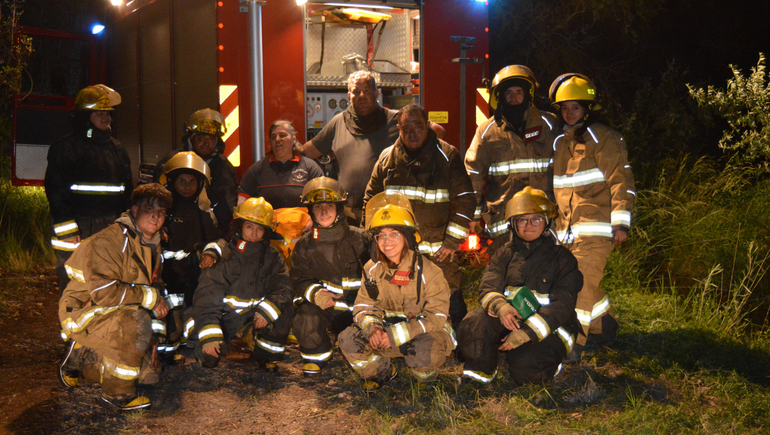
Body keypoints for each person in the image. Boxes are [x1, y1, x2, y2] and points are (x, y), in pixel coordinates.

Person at [58, 183, 172, 411]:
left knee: (148, 375)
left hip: (114, 310)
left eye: (161, 212)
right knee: (136, 323)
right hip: (83, 310)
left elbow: (152, 286)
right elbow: (105, 293)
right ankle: (117, 395)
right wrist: (149, 298)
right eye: (149, 209)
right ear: (135, 210)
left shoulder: (151, 243)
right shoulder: (110, 241)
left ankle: (80, 357)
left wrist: (153, 341)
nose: (156, 217)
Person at [364, 104, 476, 329]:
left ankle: (462, 342)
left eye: (417, 126)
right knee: (401, 295)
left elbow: (465, 199)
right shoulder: (387, 159)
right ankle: (408, 337)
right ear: (398, 129)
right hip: (399, 249)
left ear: (427, 126)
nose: (412, 133)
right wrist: (374, 241)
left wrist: (452, 242)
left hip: (438, 251)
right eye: (406, 128)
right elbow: (370, 200)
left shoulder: (447, 156)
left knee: (449, 294)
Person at [457, 187, 582, 385]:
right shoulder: (503, 254)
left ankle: (550, 362)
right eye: (523, 220)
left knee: (527, 371)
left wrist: (527, 333)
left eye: (536, 219)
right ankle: (481, 372)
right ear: (513, 224)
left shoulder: (563, 259)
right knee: (473, 324)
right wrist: (502, 308)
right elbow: (488, 286)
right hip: (509, 320)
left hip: (549, 328)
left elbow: (562, 307)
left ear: (547, 222)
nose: (529, 225)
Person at [548, 73, 635, 358]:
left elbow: (622, 182)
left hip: (596, 230)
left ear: (587, 108)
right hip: (566, 231)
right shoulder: (561, 142)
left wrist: (621, 222)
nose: (569, 113)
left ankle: (575, 344)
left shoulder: (604, 138)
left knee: (580, 285)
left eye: (575, 107)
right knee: (568, 282)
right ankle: (604, 323)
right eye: (564, 108)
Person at [338, 192, 455, 393]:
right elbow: (363, 307)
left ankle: (425, 381)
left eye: (394, 234)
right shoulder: (371, 269)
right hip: (385, 335)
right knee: (347, 339)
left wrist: (396, 335)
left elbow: (437, 316)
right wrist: (373, 329)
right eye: (381, 236)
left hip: (422, 334)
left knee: (424, 355)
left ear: (407, 237)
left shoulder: (429, 271)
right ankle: (382, 372)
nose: (387, 241)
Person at [183, 197, 295, 372]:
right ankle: (215, 343)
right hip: (222, 319)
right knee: (209, 358)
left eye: (260, 228)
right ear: (240, 226)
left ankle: (263, 355)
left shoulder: (273, 257)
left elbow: (283, 287)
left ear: (266, 231)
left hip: (252, 319)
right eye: (249, 226)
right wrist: (210, 336)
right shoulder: (224, 255)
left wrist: (266, 312)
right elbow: (207, 297)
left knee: (284, 310)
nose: (254, 233)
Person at [45, 84, 133, 294]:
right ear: (85, 116)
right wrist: (68, 232)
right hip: (77, 227)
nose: (106, 118)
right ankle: (70, 327)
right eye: (99, 113)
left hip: (111, 225)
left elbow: (126, 190)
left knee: (109, 280)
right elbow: (57, 192)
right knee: (76, 284)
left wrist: (126, 222)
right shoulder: (65, 148)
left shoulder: (117, 148)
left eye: (108, 113)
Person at [465, 65, 558, 254]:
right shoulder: (487, 131)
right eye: (508, 93)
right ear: (499, 97)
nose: (514, 98)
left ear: (528, 94)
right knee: (506, 275)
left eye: (518, 92)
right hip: (504, 221)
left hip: (543, 218)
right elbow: (473, 173)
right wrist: (474, 215)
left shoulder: (550, 125)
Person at [290, 177, 370, 376]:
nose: (324, 211)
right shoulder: (304, 246)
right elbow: (299, 278)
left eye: (329, 205)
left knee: (357, 342)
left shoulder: (360, 239)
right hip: (326, 309)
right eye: (318, 206)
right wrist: (316, 294)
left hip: (358, 309)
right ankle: (318, 354)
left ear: (339, 208)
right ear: (311, 211)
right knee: (305, 318)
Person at [302, 71, 400, 225]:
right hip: (349, 216)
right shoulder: (338, 122)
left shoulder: (395, 120)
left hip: (385, 214)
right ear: (349, 96)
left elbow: (436, 131)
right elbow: (307, 151)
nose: (362, 96)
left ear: (376, 93)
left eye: (367, 91)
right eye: (356, 91)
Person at [157, 152, 228, 358]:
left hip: (194, 279)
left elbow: (218, 240)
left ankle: (196, 345)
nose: (187, 187)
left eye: (192, 182)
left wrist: (211, 253)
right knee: (171, 325)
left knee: (194, 319)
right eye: (181, 182)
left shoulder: (203, 213)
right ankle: (166, 353)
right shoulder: (163, 213)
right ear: (171, 182)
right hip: (168, 280)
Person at [154, 109, 238, 235]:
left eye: (211, 139)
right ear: (191, 139)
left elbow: (228, 205)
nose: (206, 143)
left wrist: (212, 231)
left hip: (208, 233)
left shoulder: (224, 168)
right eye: (201, 138)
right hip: (172, 231)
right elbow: (155, 197)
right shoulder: (171, 162)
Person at [238, 120, 323, 209]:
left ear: (294, 139)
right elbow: (241, 202)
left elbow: (322, 202)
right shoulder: (256, 170)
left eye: (282, 135)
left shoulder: (311, 168)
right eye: (273, 137)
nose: (277, 139)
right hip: (267, 222)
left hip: (303, 223)